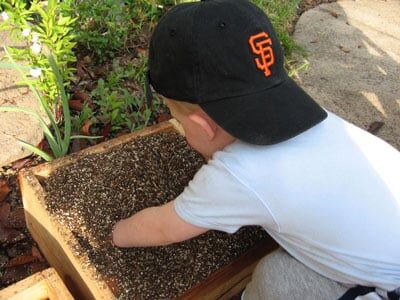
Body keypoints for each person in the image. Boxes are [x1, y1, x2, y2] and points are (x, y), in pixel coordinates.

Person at [112, 0, 400, 299]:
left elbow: (162, 229)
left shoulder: (239, 174)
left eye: (179, 120)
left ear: (203, 125)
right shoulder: (318, 120)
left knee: (277, 282)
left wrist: (115, 234)